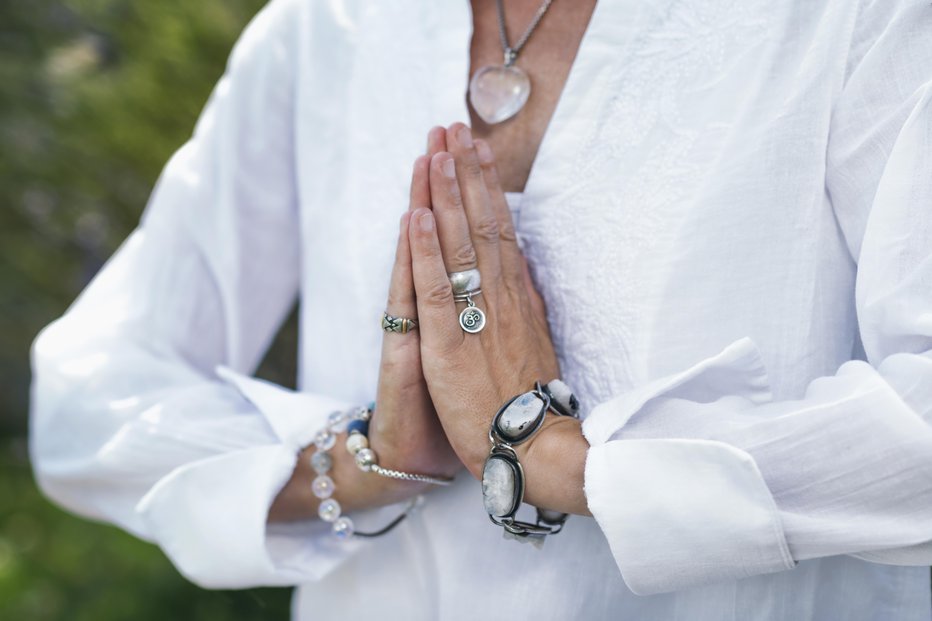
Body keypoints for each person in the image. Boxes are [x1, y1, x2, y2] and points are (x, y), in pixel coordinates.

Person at [29, 0, 932, 618]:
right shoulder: (327, 28)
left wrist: (562, 461)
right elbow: (88, 399)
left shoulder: (858, 20)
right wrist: (367, 464)